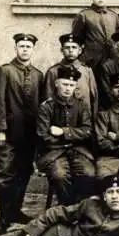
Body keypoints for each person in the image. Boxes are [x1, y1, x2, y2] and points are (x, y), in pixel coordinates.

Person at [0, 33, 43, 233]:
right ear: (16, 48)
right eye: (21, 46)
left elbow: (41, 107)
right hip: (9, 134)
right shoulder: (4, 71)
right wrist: (0, 130)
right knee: (5, 174)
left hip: (29, 135)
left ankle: (16, 211)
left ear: (33, 49)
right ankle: (3, 217)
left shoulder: (38, 75)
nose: (25, 49)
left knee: (23, 172)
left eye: (28, 46)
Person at [37, 66, 96, 206]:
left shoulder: (82, 106)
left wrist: (63, 132)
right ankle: (67, 208)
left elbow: (87, 131)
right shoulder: (46, 107)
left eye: (71, 85)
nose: (68, 88)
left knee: (89, 173)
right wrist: (71, 138)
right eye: (65, 84)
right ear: (57, 83)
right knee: (60, 175)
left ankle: (81, 207)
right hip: (53, 153)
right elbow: (43, 136)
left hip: (78, 151)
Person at [43, 33, 98, 117]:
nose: (71, 50)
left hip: (84, 118)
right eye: (67, 47)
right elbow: (48, 97)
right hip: (60, 118)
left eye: (74, 47)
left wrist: (93, 119)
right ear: (61, 50)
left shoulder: (87, 71)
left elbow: (94, 98)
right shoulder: (53, 71)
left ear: (80, 50)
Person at [72, 0, 119, 69]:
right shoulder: (84, 15)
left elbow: (118, 39)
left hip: (110, 59)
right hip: (91, 59)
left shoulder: (113, 15)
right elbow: (76, 39)